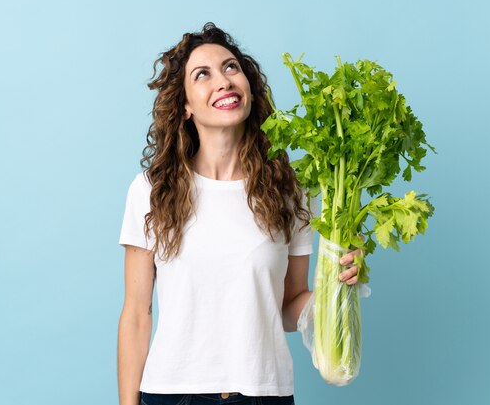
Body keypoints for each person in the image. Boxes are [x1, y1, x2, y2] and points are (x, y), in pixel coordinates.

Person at [117, 22, 362, 405]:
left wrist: (338, 288)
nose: (224, 81)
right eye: (203, 74)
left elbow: (288, 305)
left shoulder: (290, 190)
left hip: (264, 393)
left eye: (232, 68)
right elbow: (136, 315)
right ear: (184, 105)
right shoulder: (151, 191)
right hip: (174, 394)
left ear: (249, 86)